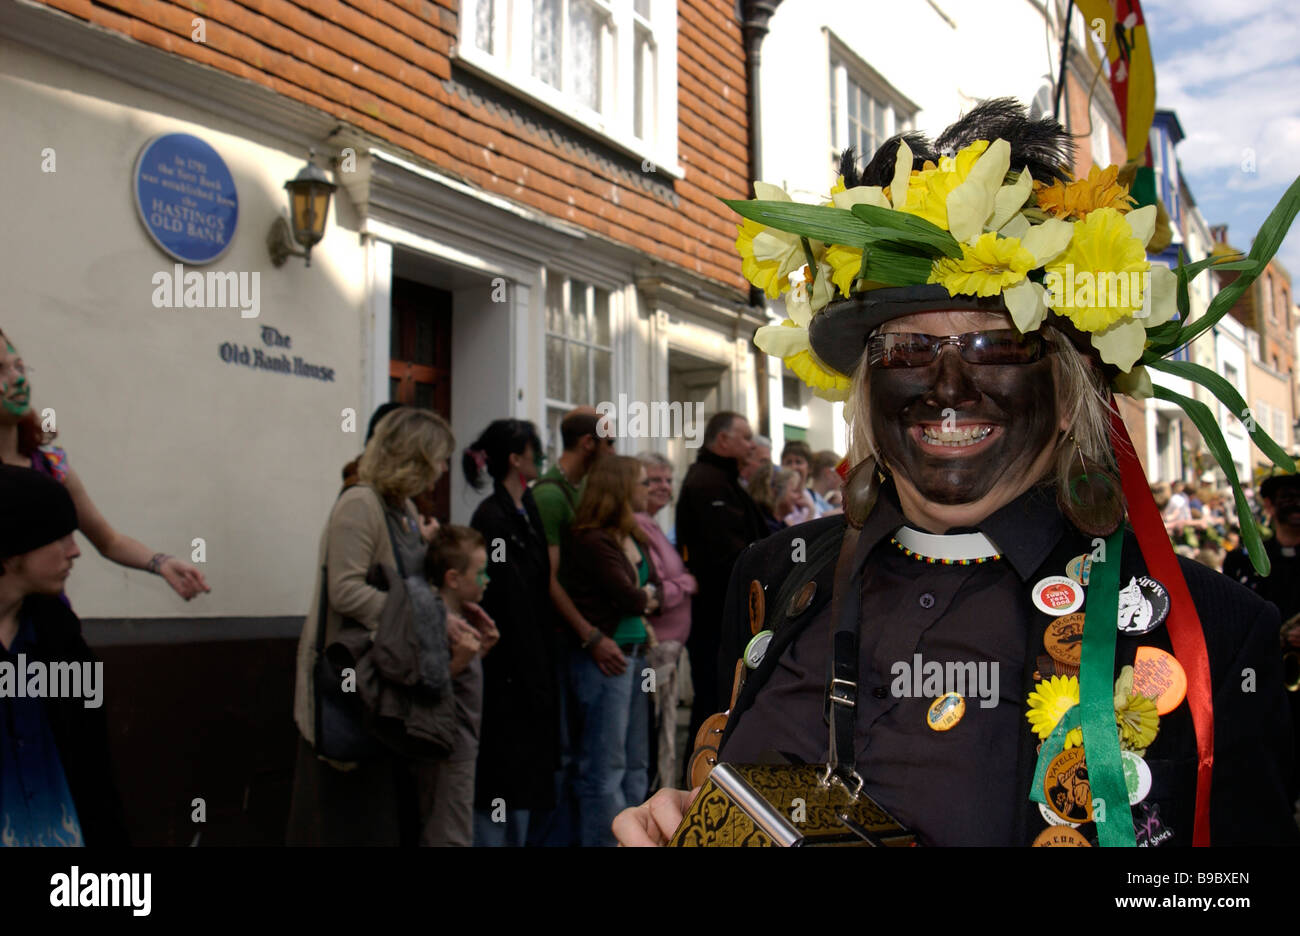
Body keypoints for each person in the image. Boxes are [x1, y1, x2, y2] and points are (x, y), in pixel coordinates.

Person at [616, 98, 1297, 846]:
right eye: (907, 349)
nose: (946, 388)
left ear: (1070, 397)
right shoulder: (774, 575)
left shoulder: (1209, 636)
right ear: (868, 390)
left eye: (995, 347)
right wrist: (685, 822)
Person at [287, 407, 459, 845]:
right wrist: (424, 621)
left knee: (381, 813)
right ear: (414, 458)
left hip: (387, 684)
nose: (442, 471)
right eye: (438, 459)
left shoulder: (399, 507)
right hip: (351, 682)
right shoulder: (360, 504)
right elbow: (345, 591)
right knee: (344, 814)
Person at [0, 328, 209, 601]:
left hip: (44, 629)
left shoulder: (51, 466)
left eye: (19, 367)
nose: (17, 378)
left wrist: (160, 562)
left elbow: (109, 541)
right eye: (1, 369)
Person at [0, 466, 127, 846]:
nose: (75, 550)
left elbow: (93, 767)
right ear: (11, 549)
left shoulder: (58, 635)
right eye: (59, 537)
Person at [462, 418, 558, 847]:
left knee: (525, 778)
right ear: (516, 458)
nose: (541, 457)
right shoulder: (493, 516)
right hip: (508, 669)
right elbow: (504, 594)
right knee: (502, 776)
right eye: (535, 450)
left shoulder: (527, 508)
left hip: (533, 665)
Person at [528, 406, 618, 845]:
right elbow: (547, 579)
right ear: (588, 444)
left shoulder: (575, 491)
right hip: (564, 644)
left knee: (585, 759)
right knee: (565, 757)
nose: (613, 450)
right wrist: (591, 635)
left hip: (575, 642)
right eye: (609, 441)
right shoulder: (550, 495)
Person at [561, 455, 661, 845]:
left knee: (637, 762)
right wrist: (644, 597)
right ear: (620, 488)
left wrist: (645, 596)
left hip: (638, 656)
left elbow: (660, 589)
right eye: (642, 482)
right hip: (608, 662)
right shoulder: (592, 538)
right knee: (604, 768)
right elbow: (630, 598)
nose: (648, 490)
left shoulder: (632, 535)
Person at [675, 411, 768, 752]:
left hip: (727, 613)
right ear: (723, 440)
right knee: (713, 703)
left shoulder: (723, 481)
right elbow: (728, 556)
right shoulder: (708, 484)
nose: (751, 444)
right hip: (717, 616)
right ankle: (701, 777)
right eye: (744, 437)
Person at [417, 525, 499, 846]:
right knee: (450, 836)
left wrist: (479, 651)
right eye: (480, 573)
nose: (486, 580)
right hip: (448, 749)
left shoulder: (461, 617)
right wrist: (460, 662)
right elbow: (426, 687)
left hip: (463, 744)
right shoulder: (439, 624)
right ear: (453, 578)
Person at [635, 452, 698, 792]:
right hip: (651, 655)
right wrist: (687, 583)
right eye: (653, 480)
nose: (663, 486)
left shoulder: (653, 523)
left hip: (667, 658)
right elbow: (651, 591)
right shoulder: (638, 523)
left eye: (667, 480)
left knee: (659, 739)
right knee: (648, 741)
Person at [746, 463, 784, 534]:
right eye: (795, 491)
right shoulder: (766, 524)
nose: (799, 496)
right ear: (774, 491)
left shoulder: (776, 521)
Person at [808, 450, 845, 516]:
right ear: (829, 473)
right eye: (839, 472)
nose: (842, 478)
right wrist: (843, 509)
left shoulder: (821, 502)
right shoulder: (808, 498)